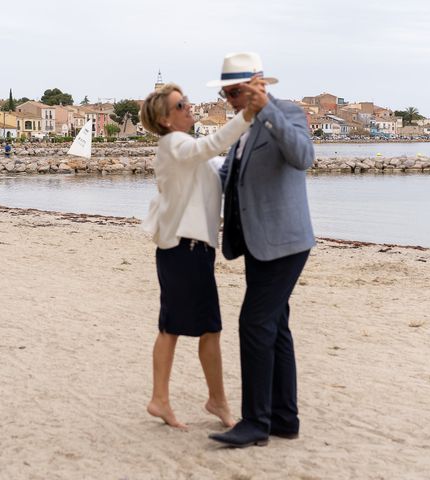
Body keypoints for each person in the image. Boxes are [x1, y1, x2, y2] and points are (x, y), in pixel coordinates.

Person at [140, 78, 265, 429]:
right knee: (202, 328)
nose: (189, 107)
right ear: (165, 119)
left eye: (187, 102)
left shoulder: (184, 147)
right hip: (185, 249)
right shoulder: (174, 144)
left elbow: (219, 163)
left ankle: (165, 399)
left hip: (188, 249)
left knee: (175, 327)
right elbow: (213, 144)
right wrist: (248, 114)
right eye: (181, 106)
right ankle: (213, 401)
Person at [207, 52, 316, 448]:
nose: (230, 101)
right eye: (226, 93)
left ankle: (255, 422)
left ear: (259, 85)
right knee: (275, 328)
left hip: (285, 241)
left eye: (235, 92)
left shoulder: (287, 111)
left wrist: (266, 110)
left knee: (254, 324)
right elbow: (227, 176)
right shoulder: (241, 125)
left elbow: (303, 157)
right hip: (257, 242)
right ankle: (284, 419)